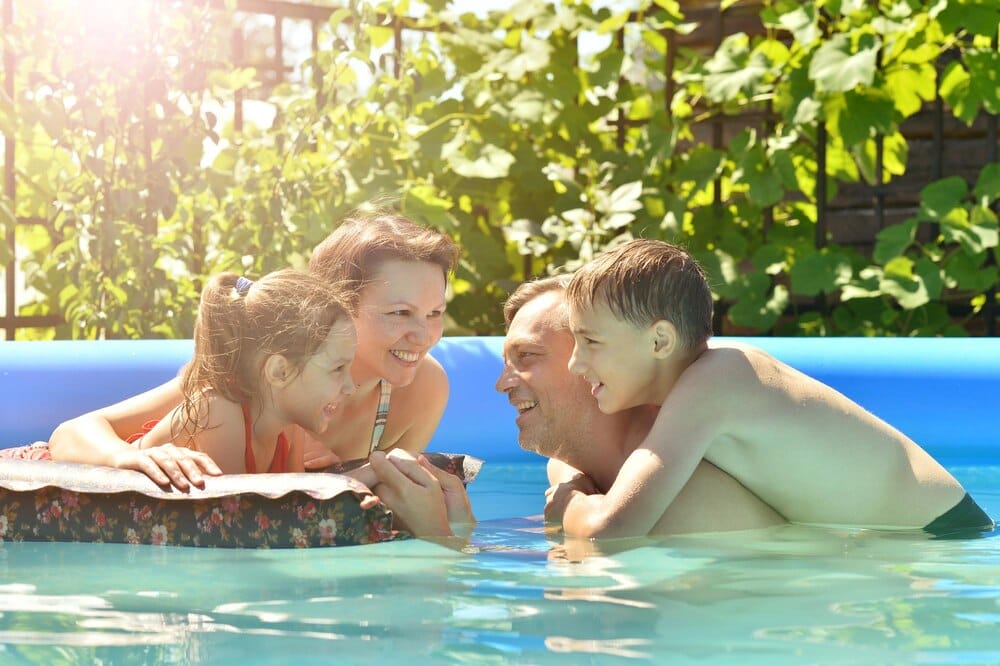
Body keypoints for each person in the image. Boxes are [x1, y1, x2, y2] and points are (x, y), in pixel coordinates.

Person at [553, 238, 993, 539]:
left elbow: (613, 531)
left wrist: (568, 499)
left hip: (947, 537)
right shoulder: (707, 382)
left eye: (591, 341)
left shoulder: (713, 383)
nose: (575, 363)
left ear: (659, 342)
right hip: (920, 535)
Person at [48, 208, 459, 492]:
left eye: (435, 312)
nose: (422, 336)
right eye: (400, 312)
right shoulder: (245, 375)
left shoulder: (422, 389)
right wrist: (122, 460)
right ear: (336, 306)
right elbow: (72, 433)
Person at [496, 276, 786, 535]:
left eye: (527, 355)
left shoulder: (686, 505)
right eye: (506, 362)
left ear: (594, 359)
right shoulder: (584, 472)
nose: (502, 384)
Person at [103, 269, 356, 474]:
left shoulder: (287, 427)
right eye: (338, 369)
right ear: (280, 372)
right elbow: (239, 523)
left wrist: (369, 477)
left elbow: (297, 510)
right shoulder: (220, 412)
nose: (350, 387)